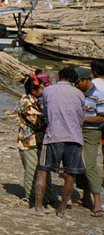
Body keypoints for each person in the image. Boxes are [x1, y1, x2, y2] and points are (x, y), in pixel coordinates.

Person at [32, 67, 85, 217]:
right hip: (74, 138)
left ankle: (38, 207)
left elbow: (46, 112)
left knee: (43, 171)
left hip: (53, 136)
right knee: (69, 175)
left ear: (58, 76)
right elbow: (81, 118)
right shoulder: (79, 93)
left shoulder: (48, 91)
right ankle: (61, 209)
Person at [16, 75, 53, 207]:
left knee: (42, 170)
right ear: (33, 90)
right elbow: (37, 122)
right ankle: (31, 197)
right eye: (40, 87)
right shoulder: (26, 102)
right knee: (32, 170)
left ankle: (45, 197)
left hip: (37, 140)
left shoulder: (36, 100)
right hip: (28, 141)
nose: (43, 89)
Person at [73, 67, 104, 217]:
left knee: (90, 165)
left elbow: (102, 118)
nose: (76, 85)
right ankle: (85, 197)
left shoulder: (99, 95)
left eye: (78, 82)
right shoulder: (78, 94)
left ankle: (97, 201)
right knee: (79, 164)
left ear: (86, 80)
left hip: (92, 132)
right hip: (77, 132)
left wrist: (83, 119)